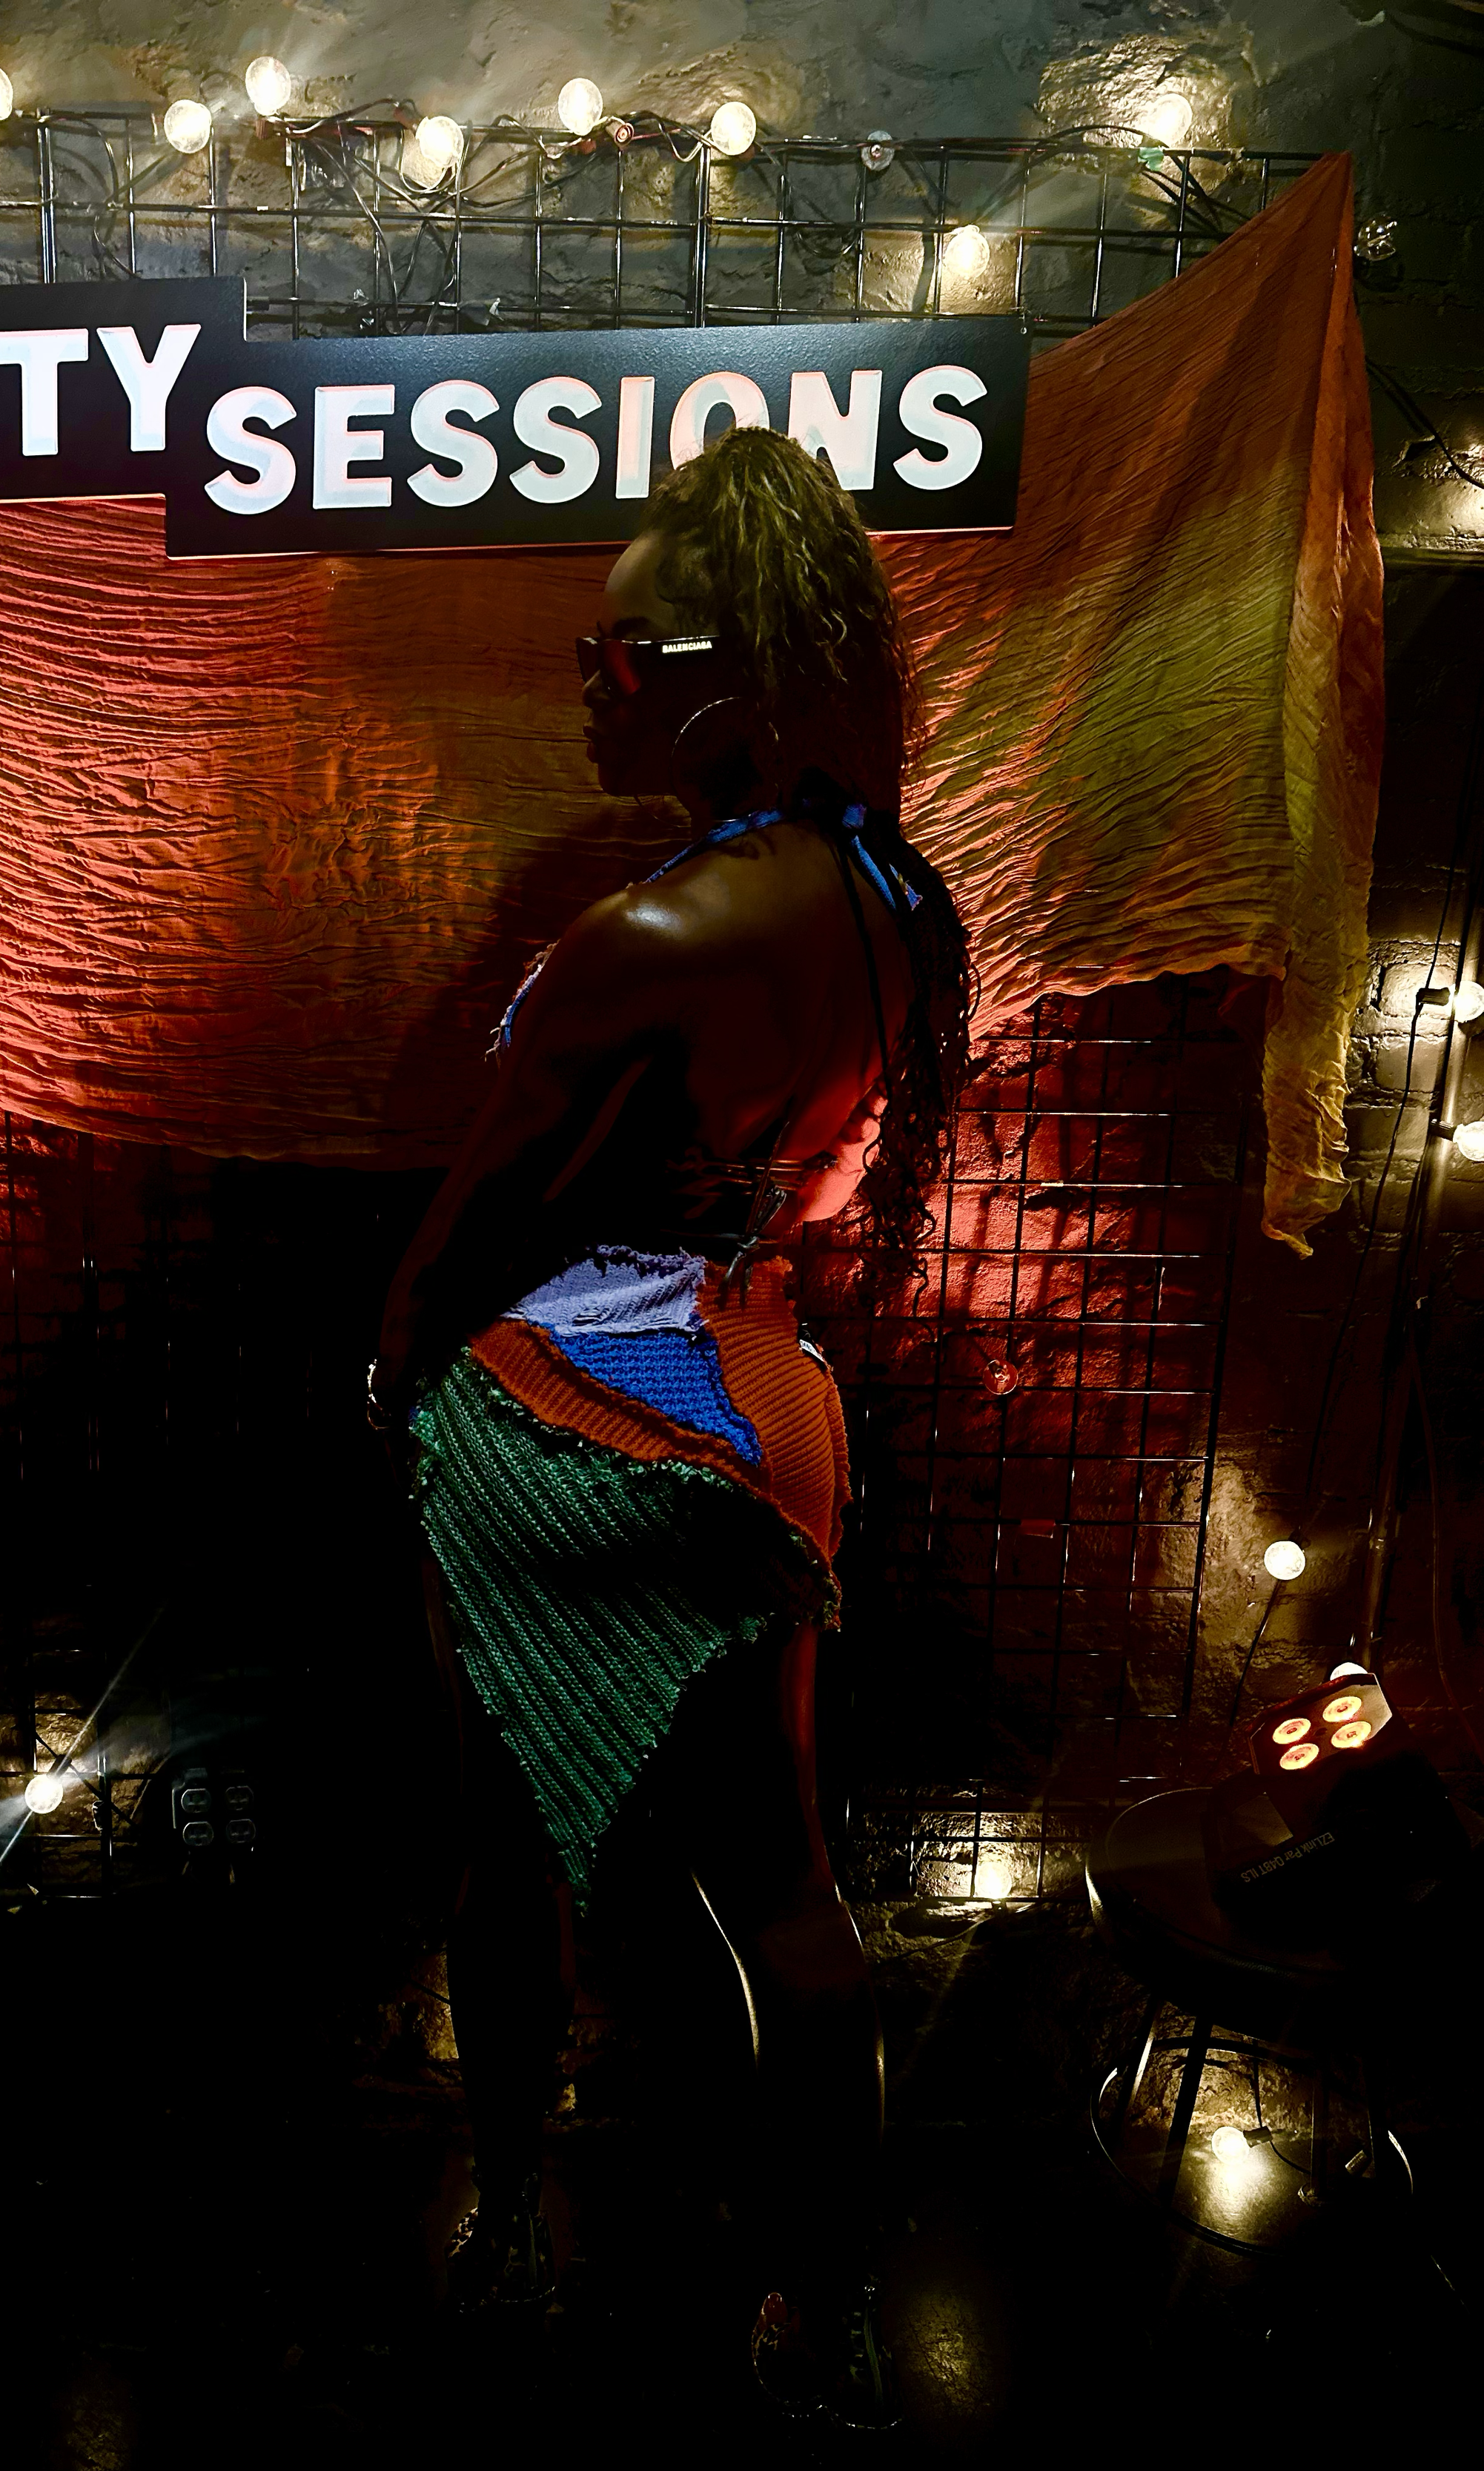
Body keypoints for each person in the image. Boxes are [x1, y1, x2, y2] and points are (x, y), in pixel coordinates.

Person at [369, 425, 971, 2427]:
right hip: (758, 1396)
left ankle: (519, 2218)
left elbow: (468, 1245)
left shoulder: (641, 946)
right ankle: (831, 2297)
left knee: (518, 1843)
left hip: (566, 1419)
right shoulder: (891, 895)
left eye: (617, 649)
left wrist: (388, 1378)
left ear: (718, 672)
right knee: (786, 1887)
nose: (585, 676)